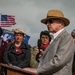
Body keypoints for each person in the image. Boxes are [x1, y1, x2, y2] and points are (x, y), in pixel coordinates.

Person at [23, 10, 75, 75]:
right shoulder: (55, 38)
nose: (47, 24)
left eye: (50, 21)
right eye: (47, 22)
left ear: (60, 23)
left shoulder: (66, 38)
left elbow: (59, 61)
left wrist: (37, 70)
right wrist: (42, 56)